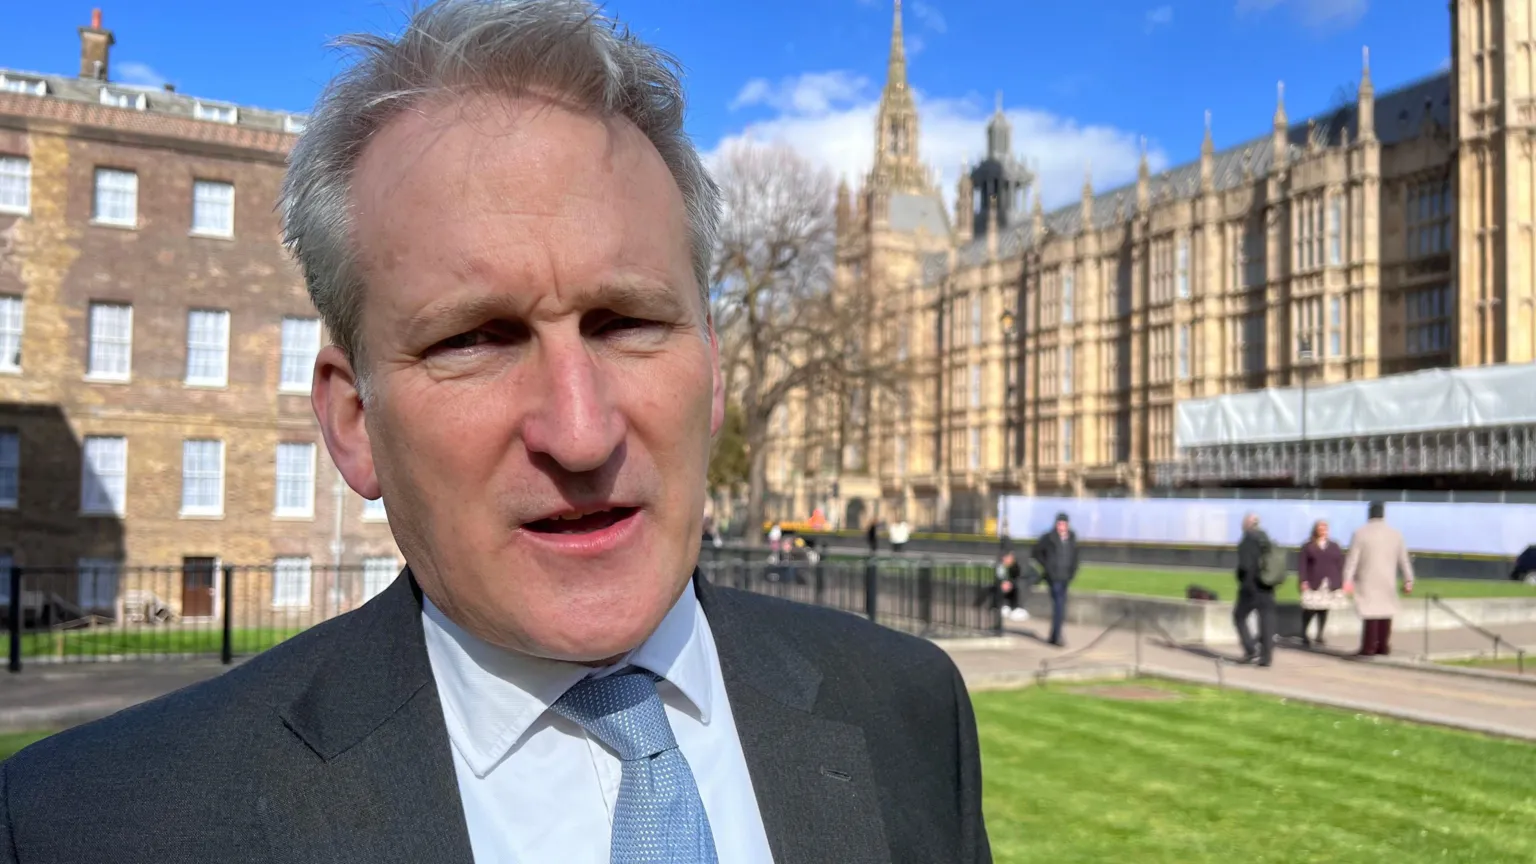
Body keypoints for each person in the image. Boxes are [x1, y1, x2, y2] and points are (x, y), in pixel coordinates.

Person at [0, 3, 992, 862]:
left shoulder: (909, 711)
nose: (579, 429)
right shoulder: (91, 827)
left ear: (717, 370)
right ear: (353, 422)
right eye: (476, 338)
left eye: (628, 323)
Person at [1343, 501, 1415, 657]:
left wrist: (1347, 580)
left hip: (1367, 578)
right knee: (1385, 612)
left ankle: (1368, 647)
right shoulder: (1395, 534)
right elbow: (1404, 559)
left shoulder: (1360, 533)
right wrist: (1409, 580)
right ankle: (1383, 646)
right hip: (1387, 579)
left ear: (1369, 513)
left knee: (1370, 613)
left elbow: (1352, 560)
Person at [1234, 513, 1277, 667]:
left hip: (1250, 586)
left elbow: (1244, 566)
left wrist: (1240, 577)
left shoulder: (1247, 539)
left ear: (1247, 524)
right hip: (1267, 585)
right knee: (1266, 621)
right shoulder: (1267, 539)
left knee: (1239, 616)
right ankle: (1266, 658)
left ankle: (1250, 650)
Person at [1031, 512, 1078, 646]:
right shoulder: (1049, 537)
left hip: (1065, 577)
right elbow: (1036, 552)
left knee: (1061, 606)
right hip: (1054, 577)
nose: (1061, 526)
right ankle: (1057, 637)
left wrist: (1072, 572)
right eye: (1059, 524)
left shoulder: (1072, 538)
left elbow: (1075, 556)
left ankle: (1054, 636)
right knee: (1059, 606)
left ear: (1067, 525)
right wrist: (1047, 567)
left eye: (1063, 524)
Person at [1297, 519, 1345, 647]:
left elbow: (1340, 564)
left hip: (1328, 583)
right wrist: (1303, 580)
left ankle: (1320, 634)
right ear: (1316, 530)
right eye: (1320, 528)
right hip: (1313, 581)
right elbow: (1302, 565)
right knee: (1309, 609)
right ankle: (1304, 633)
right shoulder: (1308, 546)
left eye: (1325, 528)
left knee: (1323, 609)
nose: (1323, 531)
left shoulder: (1334, 546)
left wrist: (1341, 581)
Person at [996, 551, 1028, 622]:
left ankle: (1019, 608)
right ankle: (1006, 605)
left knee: (1018, 586)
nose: (1004, 561)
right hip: (1015, 582)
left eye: (1006, 559)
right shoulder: (1005, 566)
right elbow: (1002, 577)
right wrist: (1005, 582)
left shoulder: (1018, 564)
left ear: (1011, 557)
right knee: (1005, 587)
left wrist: (1010, 583)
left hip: (1025, 580)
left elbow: (1021, 577)